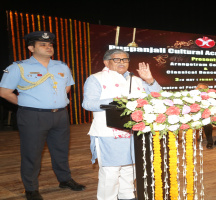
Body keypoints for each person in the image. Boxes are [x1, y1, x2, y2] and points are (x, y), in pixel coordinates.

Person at [0, 31, 85, 200]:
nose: (48, 47)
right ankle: (31, 188)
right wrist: (27, 103)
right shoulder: (18, 67)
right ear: (31, 48)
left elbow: (66, 88)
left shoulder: (62, 66)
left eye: (50, 44)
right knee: (32, 153)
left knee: (61, 151)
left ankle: (65, 179)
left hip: (60, 115)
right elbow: (5, 92)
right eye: (43, 44)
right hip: (33, 116)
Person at [82, 49, 161, 200]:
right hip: (109, 132)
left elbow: (157, 97)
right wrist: (118, 101)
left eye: (125, 59)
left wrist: (150, 80)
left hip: (135, 132)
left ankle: (127, 195)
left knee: (130, 168)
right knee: (111, 172)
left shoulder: (136, 79)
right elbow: (88, 103)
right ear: (106, 62)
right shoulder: (96, 78)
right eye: (117, 59)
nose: (122, 62)